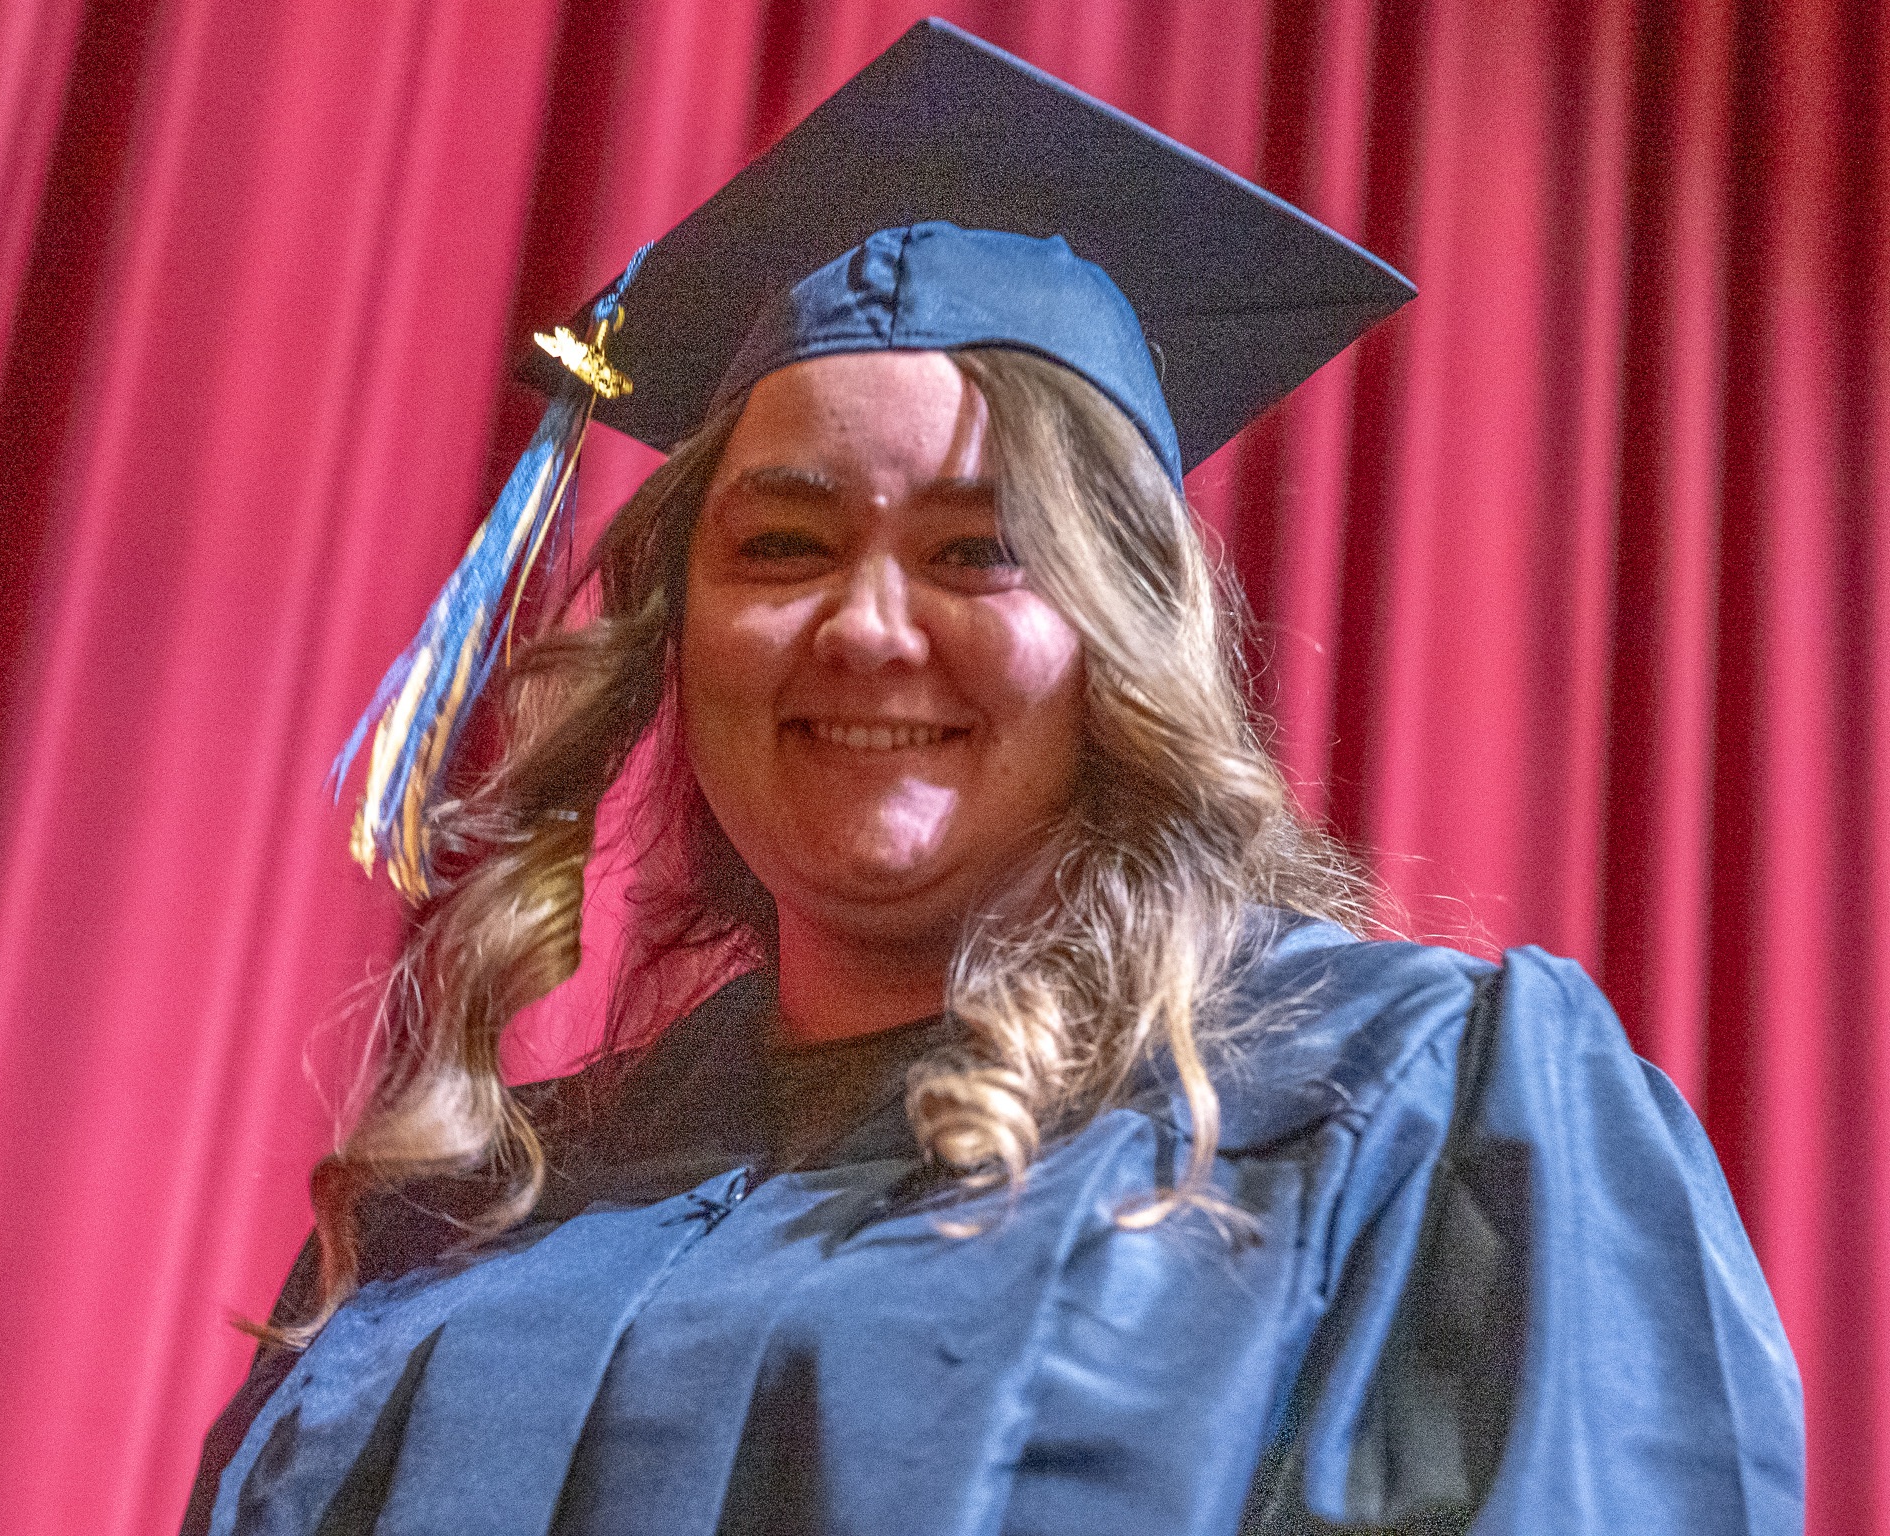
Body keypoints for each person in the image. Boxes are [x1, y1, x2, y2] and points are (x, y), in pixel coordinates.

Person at [184, 20, 1804, 1536]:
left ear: (1126, 636)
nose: (867, 628)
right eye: (784, 547)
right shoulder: (483, 1208)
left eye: (981, 550)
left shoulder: (1399, 1118)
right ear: (678, 630)